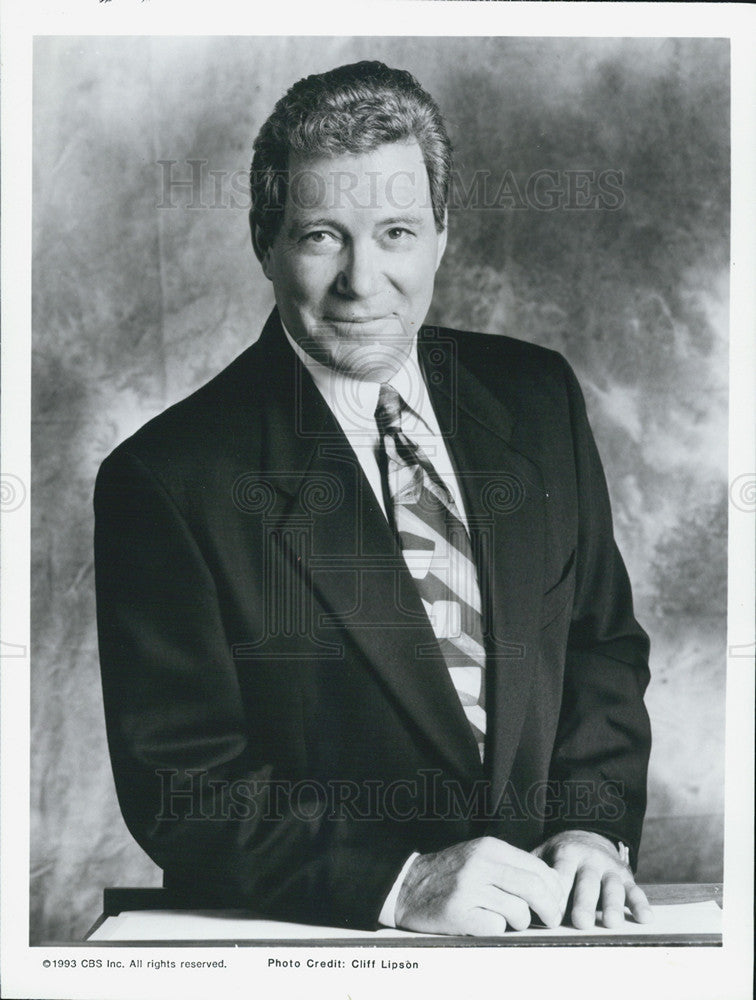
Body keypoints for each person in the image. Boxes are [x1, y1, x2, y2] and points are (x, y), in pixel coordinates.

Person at [94, 60, 653, 936]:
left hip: (551, 935)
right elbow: (183, 780)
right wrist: (401, 884)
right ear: (265, 240)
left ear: (441, 234)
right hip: (324, 942)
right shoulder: (167, 480)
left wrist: (593, 820)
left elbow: (600, 646)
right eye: (322, 235)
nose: (362, 281)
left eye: (395, 232)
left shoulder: (538, 398)